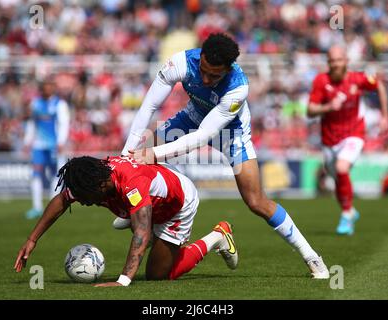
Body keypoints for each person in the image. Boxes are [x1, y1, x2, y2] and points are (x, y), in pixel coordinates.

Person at [119, 33, 329, 278]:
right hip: (193, 116)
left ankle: (312, 257)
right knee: (143, 151)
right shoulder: (181, 63)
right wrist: (127, 153)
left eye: (214, 76)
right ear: (201, 56)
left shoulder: (237, 87)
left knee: (256, 202)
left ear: (228, 70)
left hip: (231, 133)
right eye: (204, 71)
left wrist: (152, 154)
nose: (206, 80)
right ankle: (133, 209)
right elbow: (149, 106)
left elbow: (202, 137)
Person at [14, 156, 239, 286]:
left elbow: (141, 233)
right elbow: (62, 200)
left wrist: (123, 280)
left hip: (176, 204)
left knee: (157, 274)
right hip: (149, 196)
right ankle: (128, 216)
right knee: (137, 215)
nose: (81, 202)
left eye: (84, 197)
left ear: (101, 186)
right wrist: (32, 239)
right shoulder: (95, 177)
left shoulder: (131, 184)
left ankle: (218, 236)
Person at [307, 45, 388, 235]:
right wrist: (328, 107)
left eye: (339, 60)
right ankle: (350, 210)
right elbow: (310, 110)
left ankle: (346, 216)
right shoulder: (321, 81)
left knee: (342, 168)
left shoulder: (358, 79)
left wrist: (385, 117)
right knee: (338, 179)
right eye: (332, 61)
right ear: (328, 63)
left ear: (346, 61)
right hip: (329, 139)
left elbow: (380, 86)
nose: (335, 64)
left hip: (354, 133)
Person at [23, 77, 70, 219]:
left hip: (54, 145)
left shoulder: (59, 104)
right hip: (38, 145)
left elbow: (64, 123)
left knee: (56, 174)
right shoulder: (35, 103)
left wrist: (61, 141)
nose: (47, 88)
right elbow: (32, 123)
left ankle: (52, 206)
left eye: (50, 86)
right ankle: (36, 207)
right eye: (45, 86)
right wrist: (27, 141)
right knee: (36, 174)